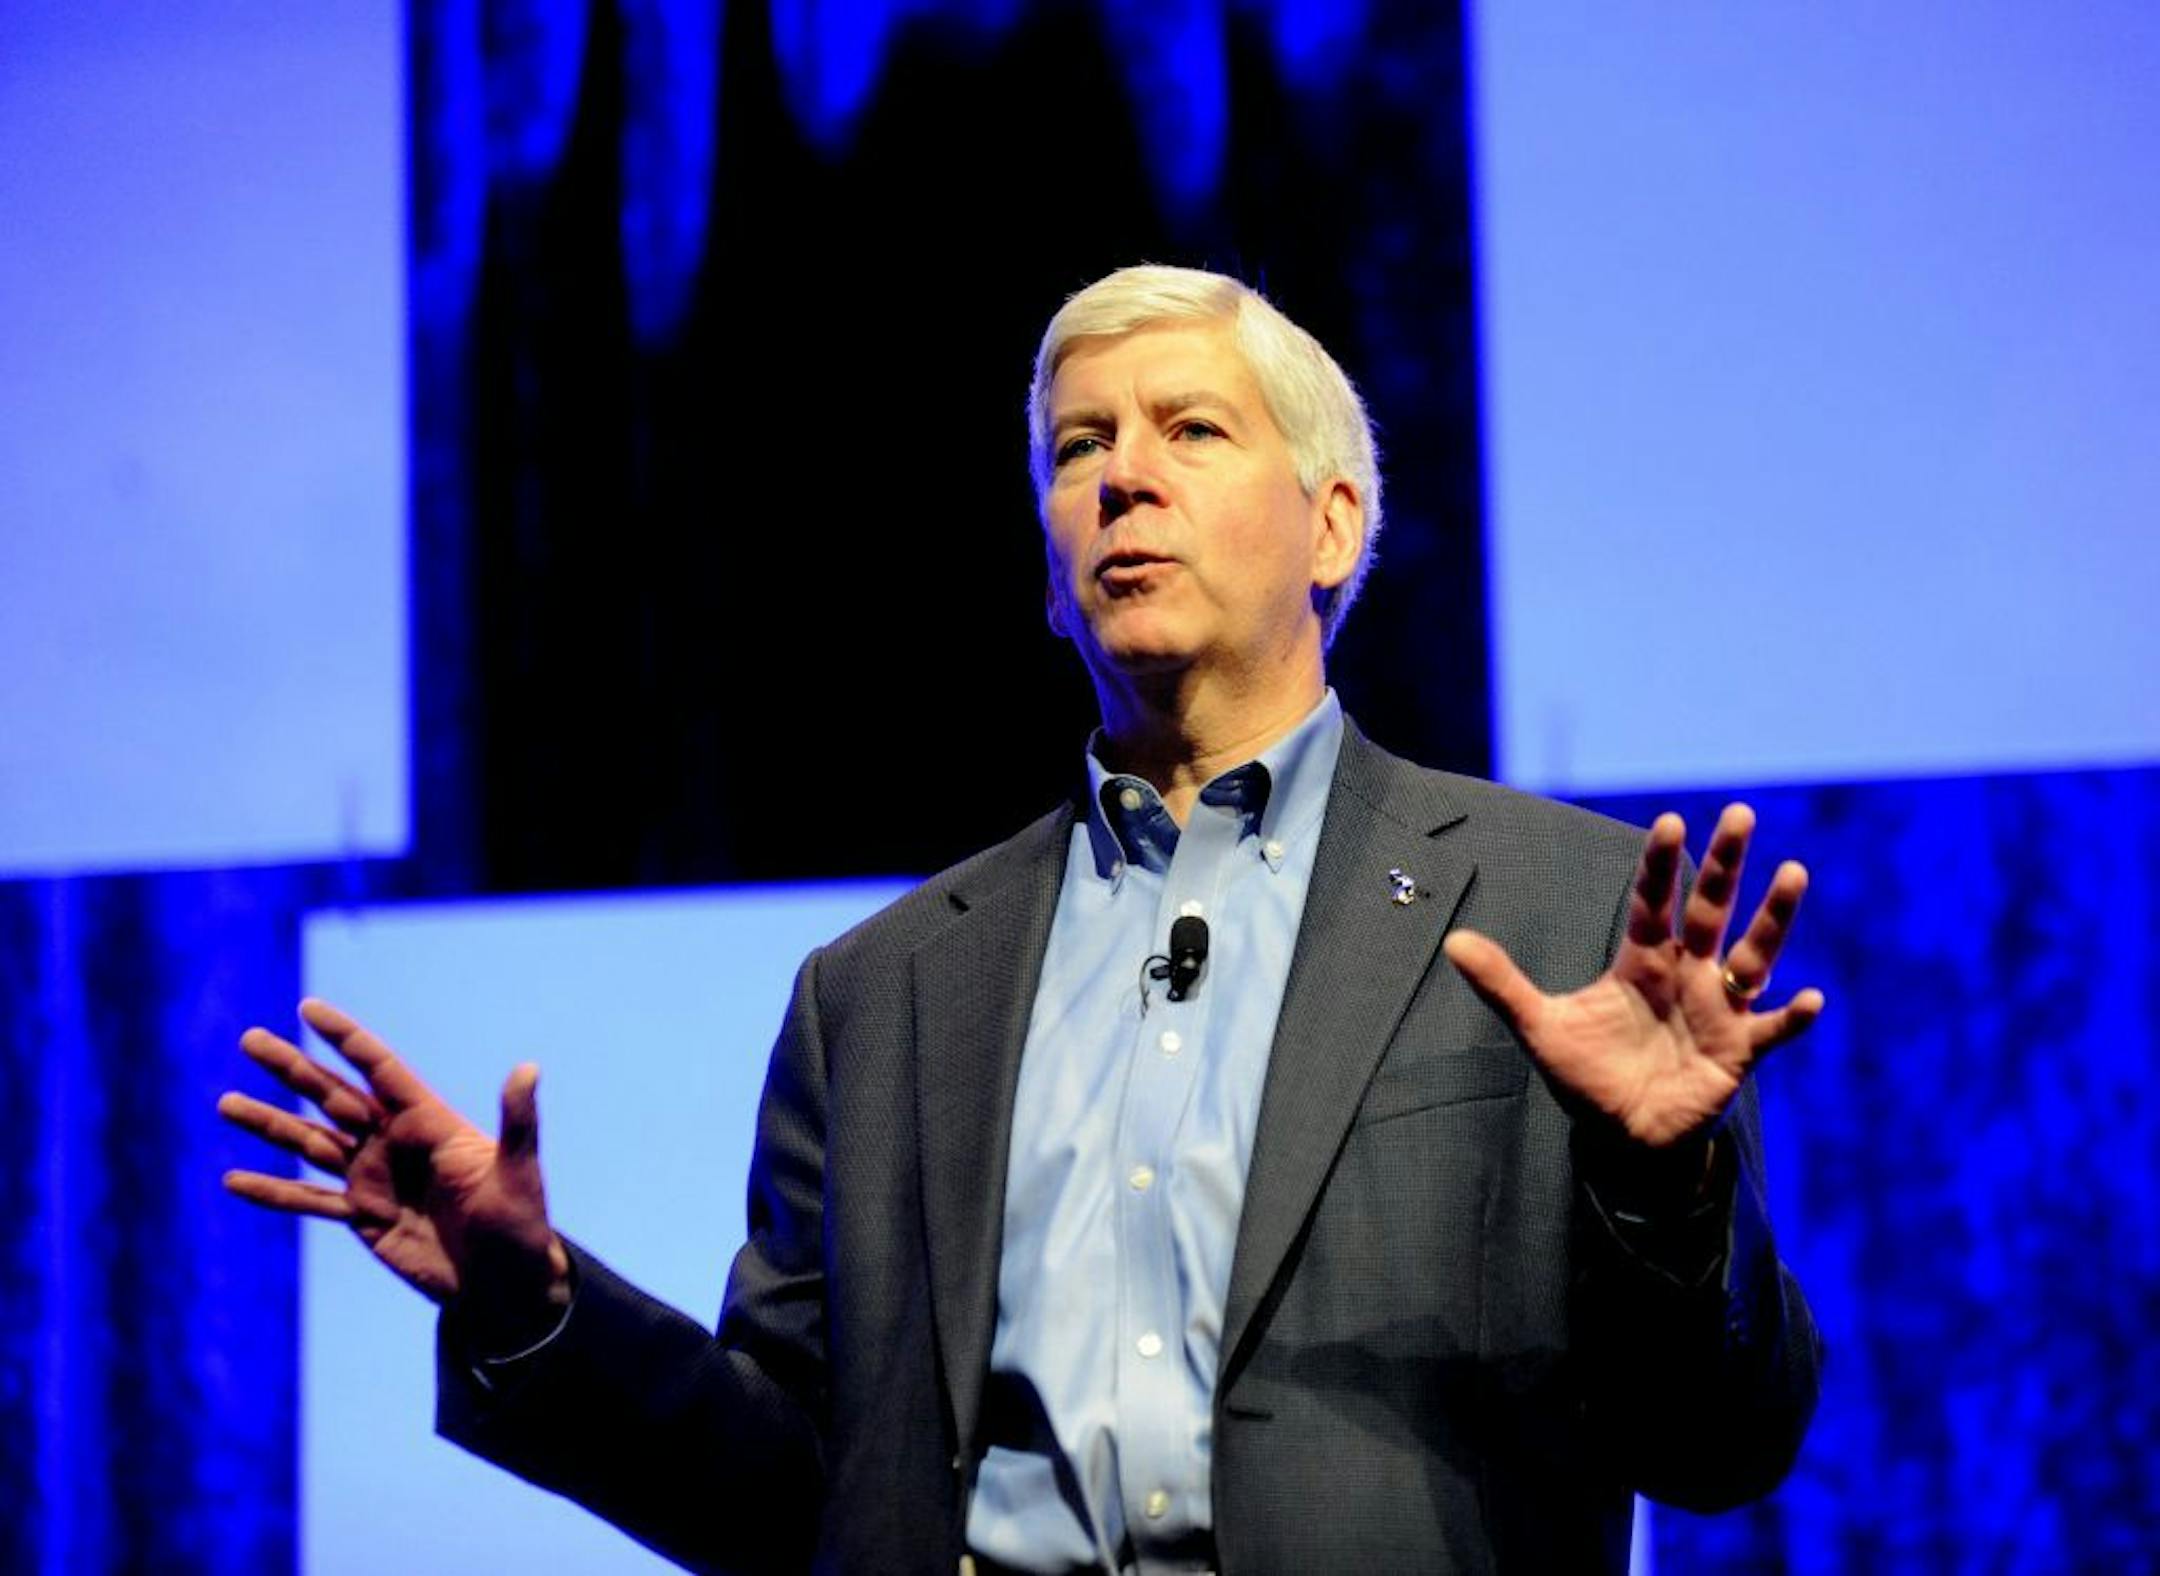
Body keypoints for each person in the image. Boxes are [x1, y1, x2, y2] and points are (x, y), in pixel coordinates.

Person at [221, 265, 1822, 1574]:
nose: (1120, 475)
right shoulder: (888, 992)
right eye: (1077, 448)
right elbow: (798, 1492)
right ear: (1055, 579)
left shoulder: (1556, 902)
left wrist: (1661, 1183)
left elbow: (1720, 1443)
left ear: (1333, 526)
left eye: (1190, 429)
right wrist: (535, 1300)